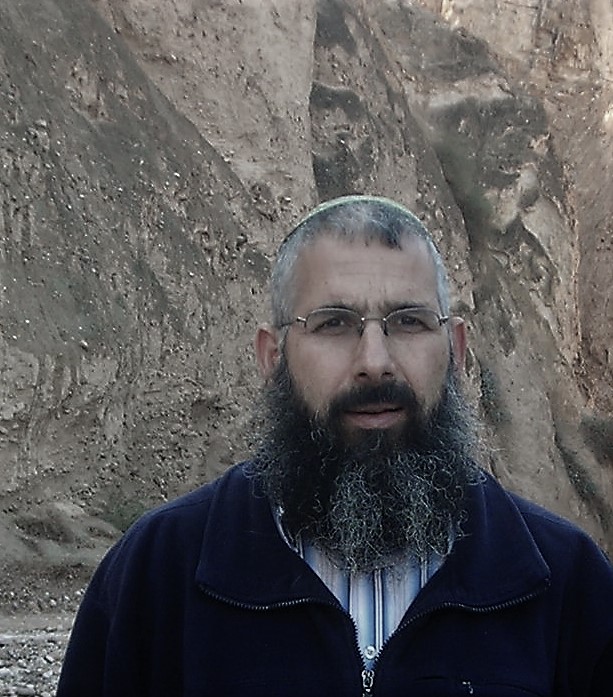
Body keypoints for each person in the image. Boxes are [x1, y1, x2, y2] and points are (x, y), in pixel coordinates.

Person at [57, 196, 613, 696]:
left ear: (457, 349)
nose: (375, 361)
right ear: (272, 357)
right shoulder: (156, 574)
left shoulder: (568, 583)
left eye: (409, 321)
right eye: (333, 324)